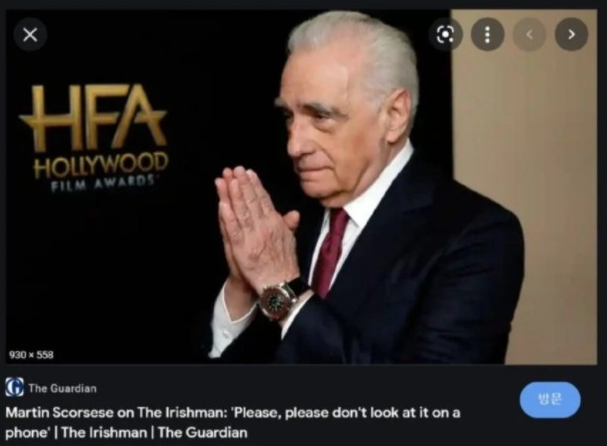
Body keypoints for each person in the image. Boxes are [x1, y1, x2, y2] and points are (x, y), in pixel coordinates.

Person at [201, 10, 524, 363]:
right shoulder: (284, 221)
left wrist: (284, 290)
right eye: (289, 116)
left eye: (321, 116)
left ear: (394, 116)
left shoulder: (477, 235)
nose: (294, 145)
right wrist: (244, 288)